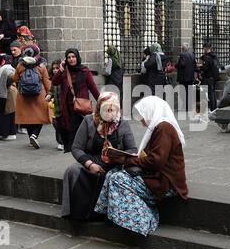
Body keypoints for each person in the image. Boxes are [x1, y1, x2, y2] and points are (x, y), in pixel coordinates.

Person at [95, 96, 188, 236]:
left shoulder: (164, 128)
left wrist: (128, 160)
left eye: (143, 117)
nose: (143, 122)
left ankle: (144, 220)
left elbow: (156, 162)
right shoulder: (159, 127)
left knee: (118, 179)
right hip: (155, 174)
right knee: (111, 174)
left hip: (165, 182)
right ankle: (110, 215)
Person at [61, 92, 138, 221]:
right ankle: (79, 214)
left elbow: (132, 148)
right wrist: (89, 164)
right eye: (106, 109)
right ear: (99, 107)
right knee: (72, 171)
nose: (109, 112)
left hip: (115, 164)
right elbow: (76, 148)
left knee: (114, 177)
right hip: (93, 161)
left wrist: (120, 157)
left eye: (112, 109)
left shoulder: (123, 123)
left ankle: (107, 215)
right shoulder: (88, 121)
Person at [52, 48, 100, 153]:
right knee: (67, 127)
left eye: (73, 57)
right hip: (66, 105)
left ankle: (71, 150)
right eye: (68, 57)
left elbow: (93, 88)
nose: (71, 59)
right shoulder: (64, 71)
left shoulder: (84, 71)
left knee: (74, 127)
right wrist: (60, 69)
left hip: (80, 105)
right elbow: (55, 82)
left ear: (77, 57)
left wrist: (101, 101)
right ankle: (74, 148)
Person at [12, 55, 51, 149]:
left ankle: (30, 139)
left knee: (28, 118)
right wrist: (49, 92)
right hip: (39, 94)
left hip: (24, 95)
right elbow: (46, 80)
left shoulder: (20, 65)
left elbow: (15, 79)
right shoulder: (41, 65)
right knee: (40, 116)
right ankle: (34, 135)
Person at [46, 60, 64, 151]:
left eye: (57, 68)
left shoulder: (64, 78)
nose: (55, 70)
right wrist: (49, 95)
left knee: (63, 125)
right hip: (56, 106)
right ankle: (60, 142)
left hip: (64, 106)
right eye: (53, 68)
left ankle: (63, 142)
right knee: (56, 125)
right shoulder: (54, 79)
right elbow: (51, 90)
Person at [197, 43, 219, 112]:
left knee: (209, 94)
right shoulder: (214, 56)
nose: (203, 50)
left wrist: (200, 66)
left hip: (208, 77)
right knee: (212, 93)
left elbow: (206, 68)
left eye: (204, 48)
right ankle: (214, 108)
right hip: (214, 77)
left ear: (206, 48)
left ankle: (211, 109)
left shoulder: (206, 57)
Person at [176, 43, 196, 113]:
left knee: (183, 92)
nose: (181, 48)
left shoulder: (183, 55)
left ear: (183, 48)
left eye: (181, 47)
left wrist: (176, 65)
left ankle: (184, 107)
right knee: (189, 92)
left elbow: (182, 64)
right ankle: (189, 107)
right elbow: (194, 65)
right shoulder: (192, 55)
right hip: (190, 77)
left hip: (183, 77)